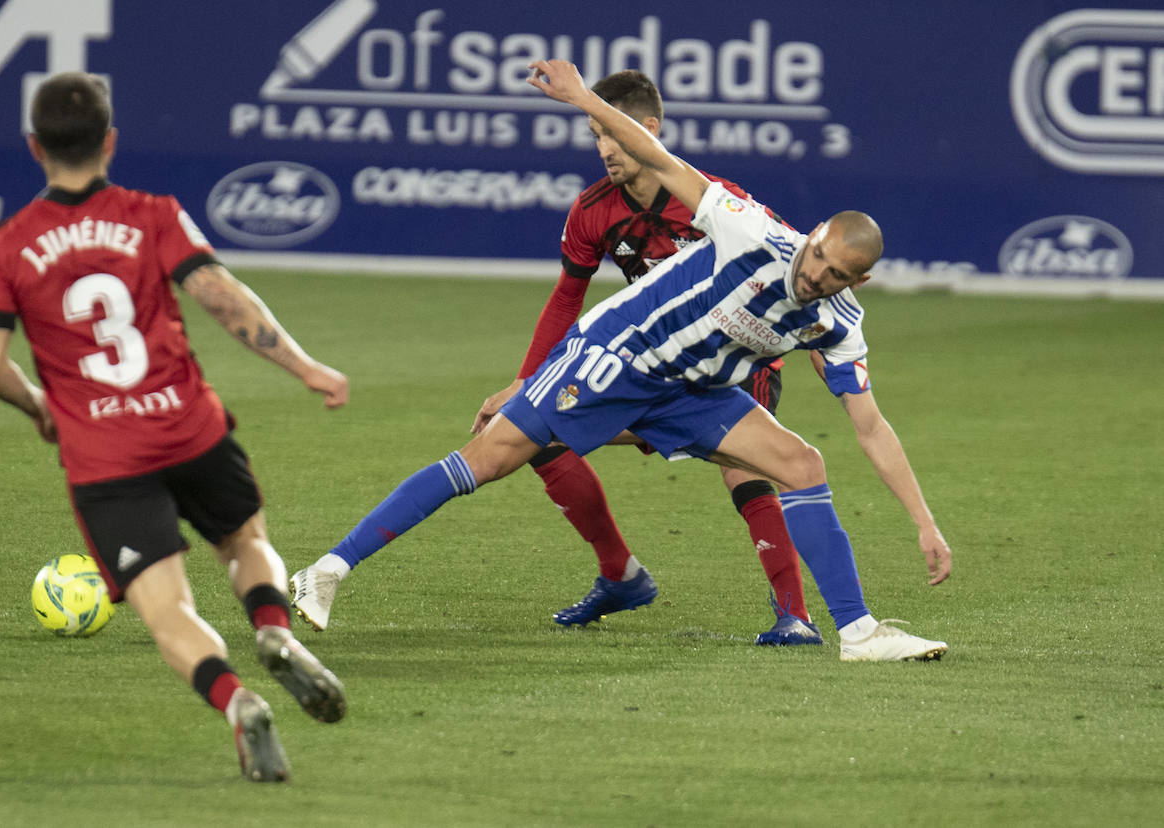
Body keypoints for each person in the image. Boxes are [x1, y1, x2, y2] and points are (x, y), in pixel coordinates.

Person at [290, 59, 949, 662]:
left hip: (695, 390)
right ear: (811, 238)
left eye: (835, 275)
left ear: (854, 283)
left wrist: (924, 524)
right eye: (817, 258)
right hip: (615, 355)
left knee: (803, 462)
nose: (816, 277)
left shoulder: (837, 323)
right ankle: (327, 570)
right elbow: (657, 157)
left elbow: (870, 426)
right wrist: (580, 98)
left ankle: (856, 631)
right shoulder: (749, 229)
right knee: (491, 457)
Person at [0, 72, 348, 782]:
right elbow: (219, 295)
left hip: (104, 458)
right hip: (189, 430)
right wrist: (305, 368)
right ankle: (273, 631)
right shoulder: (154, 215)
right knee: (245, 541)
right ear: (109, 141)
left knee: (167, 609)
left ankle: (237, 702)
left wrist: (41, 408)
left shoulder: (9, 245)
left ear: (33, 147)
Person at [467, 69, 821, 644]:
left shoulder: (710, 200)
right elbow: (565, 299)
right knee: (535, 429)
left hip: (731, 366)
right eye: (595, 135)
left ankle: (795, 616)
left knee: (746, 470)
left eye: (611, 132)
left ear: (647, 129)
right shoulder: (593, 211)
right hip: (651, 367)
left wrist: (818, 345)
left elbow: (798, 263)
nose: (604, 147)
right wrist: (525, 382)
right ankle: (621, 576)